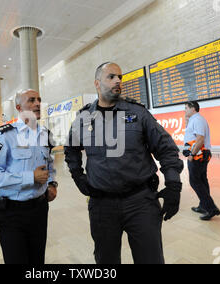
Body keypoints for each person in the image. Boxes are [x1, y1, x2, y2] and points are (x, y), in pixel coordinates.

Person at [64, 62, 183, 264]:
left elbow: (166, 148)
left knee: (150, 258)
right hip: (102, 205)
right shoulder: (84, 118)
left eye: (120, 77)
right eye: (111, 77)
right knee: (106, 261)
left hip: (140, 202)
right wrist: (78, 176)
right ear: (97, 83)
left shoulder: (138, 113)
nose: (118, 81)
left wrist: (173, 185)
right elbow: (71, 150)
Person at [0, 89, 57, 264]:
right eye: (31, 100)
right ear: (18, 107)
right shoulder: (4, 135)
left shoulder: (45, 134)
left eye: (39, 99)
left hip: (39, 210)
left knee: (37, 261)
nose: (37, 103)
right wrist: (29, 177)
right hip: (12, 213)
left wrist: (52, 183)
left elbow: (50, 164)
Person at [183, 101, 220, 220]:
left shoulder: (198, 120)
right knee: (202, 180)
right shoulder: (194, 120)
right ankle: (203, 205)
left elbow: (200, 139)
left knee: (195, 182)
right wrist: (186, 119)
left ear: (193, 108)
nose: (185, 110)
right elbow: (191, 135)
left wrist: (192, 154)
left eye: (186, 108)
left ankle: (211, 208)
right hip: (199, 154)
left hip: (198, 155)